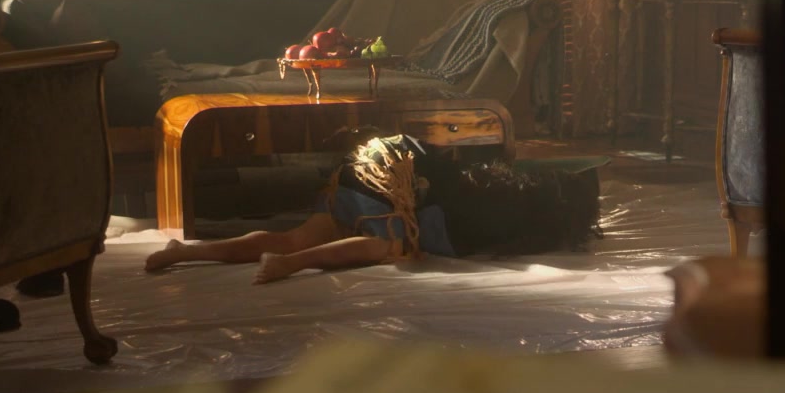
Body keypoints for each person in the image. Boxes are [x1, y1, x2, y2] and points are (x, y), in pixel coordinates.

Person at [143, 130, 603, 284]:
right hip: (386, 197)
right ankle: (290, 264)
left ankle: (187, 252)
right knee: (386, 246)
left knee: (292, 236)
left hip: (363, 181)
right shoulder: (507, 217)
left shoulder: (492, 183)